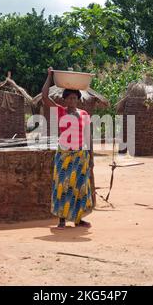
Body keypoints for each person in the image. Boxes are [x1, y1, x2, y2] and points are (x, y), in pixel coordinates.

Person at [42, 67, 94, 229]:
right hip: (64, 154)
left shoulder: (84, 114)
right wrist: (49, 76)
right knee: (62, 186)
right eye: (69, 99)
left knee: (80, 186)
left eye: (74, 98)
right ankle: (62, 220)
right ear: (64, 100)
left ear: (78, 100)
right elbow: (44, 96)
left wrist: (91, 157)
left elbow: (88, 136)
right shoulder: (60, 111)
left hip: (80, 155)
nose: (72, 101)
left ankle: (78, 219)